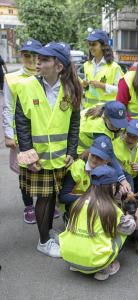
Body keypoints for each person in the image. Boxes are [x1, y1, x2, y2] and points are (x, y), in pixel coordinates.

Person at [15, 42, 82, 257]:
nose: (38, 63)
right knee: (44, 198)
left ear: (58, 66)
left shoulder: (71, 87)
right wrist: (28, 154)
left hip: (61, 157)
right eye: (38, 59)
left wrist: (72, 151)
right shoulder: (26, 86)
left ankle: (49, 231)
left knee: (52, 195)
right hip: (39, 158)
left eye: (44, 60)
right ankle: (43, 241)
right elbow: (22, 122)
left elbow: (74, 122)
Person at [59, 165, 138, 280]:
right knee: (123, 230)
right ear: (113, 187)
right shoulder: (112, 209)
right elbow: (129, 228)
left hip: (69, 257)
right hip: (95, 263)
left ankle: (76, 264)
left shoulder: (78, 202)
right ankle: (105, 269)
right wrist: (130, 215)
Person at [2, 38, 42, 224]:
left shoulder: (45, 76)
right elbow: (8, 108)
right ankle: (28, 206)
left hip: (43, 133)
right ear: (21, 56)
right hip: (21, 136)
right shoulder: (12, 78)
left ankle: (44, 202)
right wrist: (8, 134)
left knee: (43, 168)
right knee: (25, 171)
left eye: (35, 56)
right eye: (27, 56)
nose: (32, 60)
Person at [78, 100, 131, 194]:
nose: (117, 128)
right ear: (105, 118)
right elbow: (110, 155)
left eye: (119, 124)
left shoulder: (106, 108)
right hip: (81, 150)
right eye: (113, 124)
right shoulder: (100, 130)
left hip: (94, 147)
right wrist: (122, 179)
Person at [59, 135, 114, 222]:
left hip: (97, 204)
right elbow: (62, 197)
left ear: (107, 160)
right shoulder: (77, 168)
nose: (94, 159)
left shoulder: (109, 171)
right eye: (93, 155)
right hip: (76, 204)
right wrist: (89, 198)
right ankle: (68, 217)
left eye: (100, 157)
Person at [82, 29, 124, 108]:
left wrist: (102, 85)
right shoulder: (86, 65)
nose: (91, 47)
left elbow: (120, 90)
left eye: (94, 44)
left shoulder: (114, 67)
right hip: (87, 112)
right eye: (89, 44)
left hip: (105, 114)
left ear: (103, 46)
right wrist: (85, 86)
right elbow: (87, 90)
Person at [113, 119, 138, 193]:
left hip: (135, 176)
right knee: (128, 179)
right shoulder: (115, 145)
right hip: (120, 178)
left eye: (135, 137)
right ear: (123, 132)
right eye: (128, 135)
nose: (130, 140)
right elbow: (116, 169)